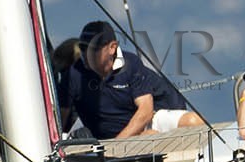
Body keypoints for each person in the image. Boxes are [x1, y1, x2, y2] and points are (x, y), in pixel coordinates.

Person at [61, 21, 206, 139]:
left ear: (112, 48)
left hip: (144, 123)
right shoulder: (74, 75)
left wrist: (120, 143)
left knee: (194, 121)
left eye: (93, 49)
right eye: (83, 48)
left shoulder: (130, 64)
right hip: (112, 139)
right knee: (152, 137)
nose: (86, 54)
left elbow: (146, 110)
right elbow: (60, 120)